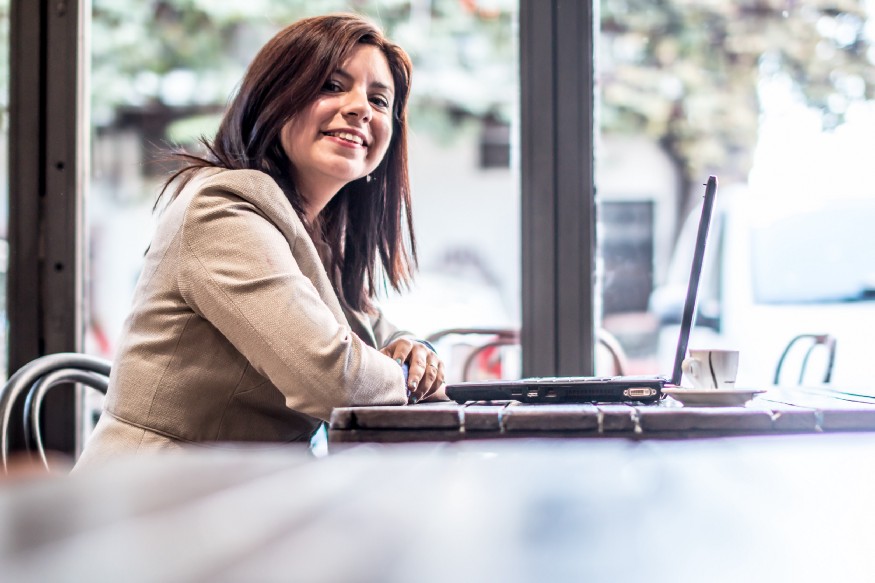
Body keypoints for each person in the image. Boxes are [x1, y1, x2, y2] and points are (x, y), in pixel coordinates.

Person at [75, 13, 445, 468]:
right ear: (275, 97)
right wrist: (409, 378)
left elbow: (371, 333)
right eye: (331, 85)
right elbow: (331, 378)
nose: (360, 108)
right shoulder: (222, 210)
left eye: (379, 99)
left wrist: (414, 348)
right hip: (152, 501)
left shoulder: (313, 231)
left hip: (238, 494)